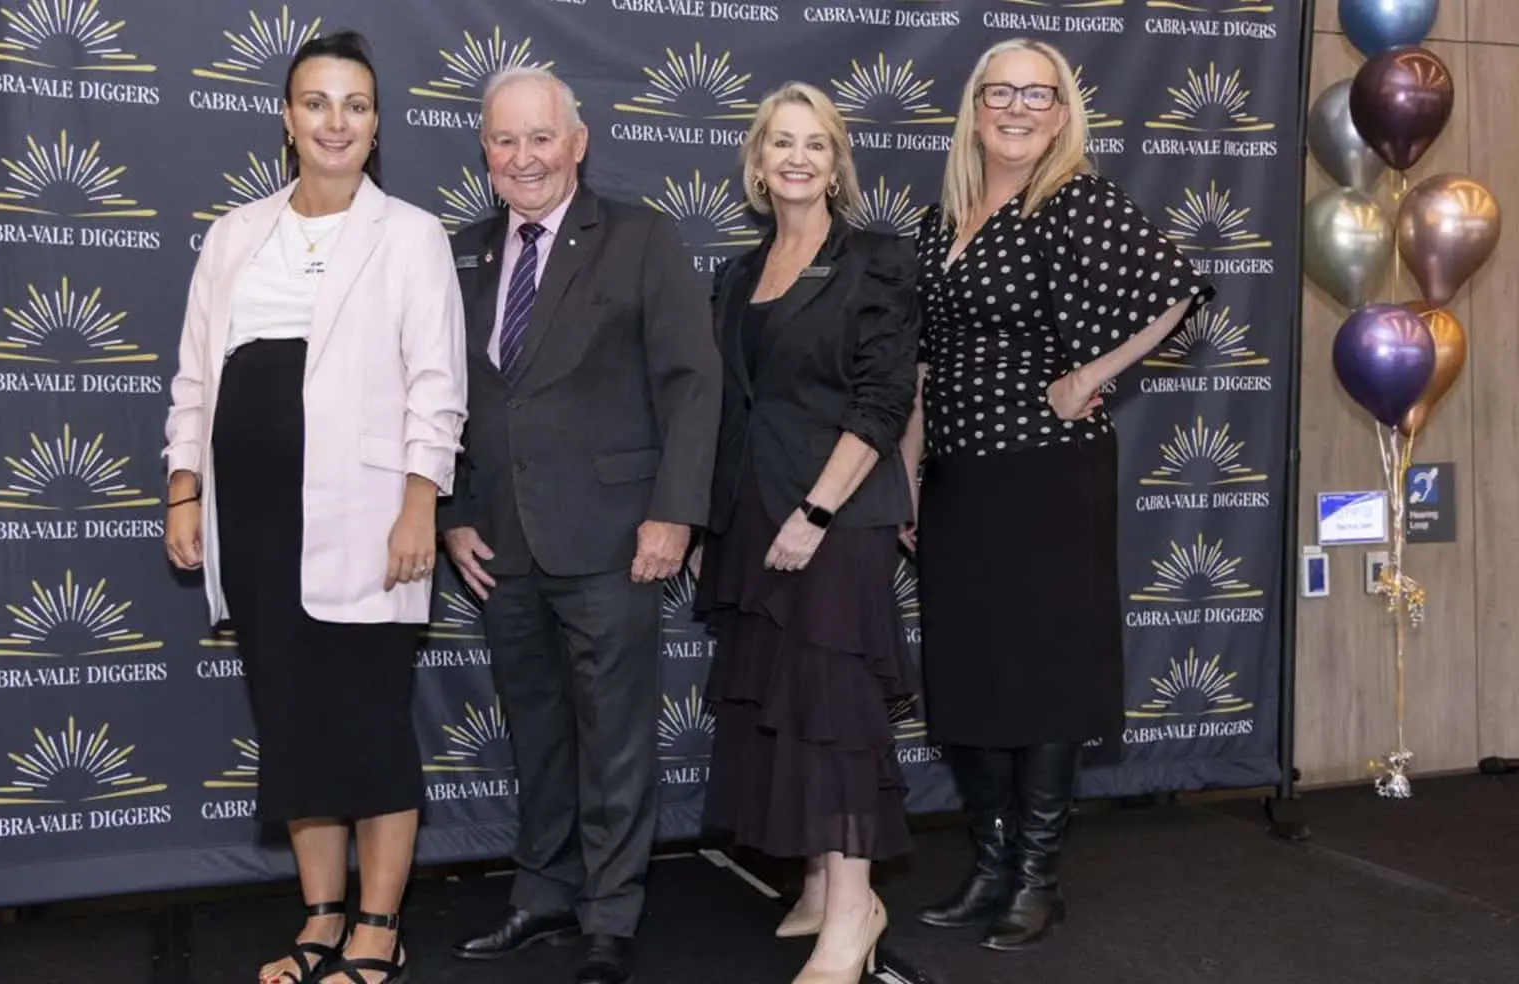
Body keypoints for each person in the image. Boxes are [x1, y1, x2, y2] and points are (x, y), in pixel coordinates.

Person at [161, 31, 467, 984]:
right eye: (317, 102)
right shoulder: (233, 235)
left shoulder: (411, 233)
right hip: (252, 519)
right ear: (286, 119)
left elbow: (438, 385)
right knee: (291, 721)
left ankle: (381, 925)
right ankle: (321, 918)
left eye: (357, 105)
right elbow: (194, 380)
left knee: (367, 720)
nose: (336, 121)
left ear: (376, 127)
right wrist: (184, 489)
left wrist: (421, 503)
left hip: (369, 517)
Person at [898, 37, 1214, 952]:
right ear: (975, 106)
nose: (1018, 108)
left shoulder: (1073, 199)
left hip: (1046, 474)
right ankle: (991, 866)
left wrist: (1089, 376)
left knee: (1042, 675)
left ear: (1063, 110)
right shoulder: (938, 221)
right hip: (958, 476)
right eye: (1001, 92)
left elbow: (1178, 290)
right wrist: (913, 471)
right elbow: (924, 366)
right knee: (968, 677)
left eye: (1038, 94)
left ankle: (1039, 877)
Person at [438, 67, 721, 984]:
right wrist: (447, 514)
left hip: (614, 537)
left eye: (541, 137)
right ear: (484, 151)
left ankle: (612, 912)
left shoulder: (641, 237)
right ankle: (542, 896)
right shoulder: (458, 251)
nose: (524, 157)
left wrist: (674, 513)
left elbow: (691, 383)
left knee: (616, 736)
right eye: (505, 140)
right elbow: (433, 397)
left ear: (578, 140)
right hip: (500, 544)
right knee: (538, 730)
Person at [694, 82, 920, 984]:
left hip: (838, 517)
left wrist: (818, 511)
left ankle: (857, 905)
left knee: (835, 714)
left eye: (815, 144)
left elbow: (881, 401)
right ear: (756, 163)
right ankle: (825, 884)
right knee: (783, 707)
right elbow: (730, 409)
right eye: (780, 143)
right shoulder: (738, 274)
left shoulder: (877, 260)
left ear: (836, 162)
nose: (796, 157)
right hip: (757, 518)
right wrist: (722, 521)